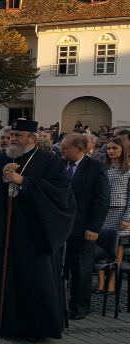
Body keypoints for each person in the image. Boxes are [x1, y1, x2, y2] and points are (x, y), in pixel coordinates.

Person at [0, 118, 75, 340]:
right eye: (12, 135)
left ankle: (35, 328)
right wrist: (1, 176)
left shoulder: (49, 162)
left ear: (32, 139)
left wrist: (23, 181)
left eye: (18, 136)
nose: (13, 139)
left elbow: (60, 193)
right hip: (3, 230)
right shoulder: (0, 159)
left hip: (33, 233)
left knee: (33, 279)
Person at [60, 133, 110, 320]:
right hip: (62, 227)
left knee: (81, 269)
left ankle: (79, 307)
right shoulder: (60, 164)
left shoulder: (96, 168)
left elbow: (102, 200)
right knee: (61, 267)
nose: (62, 151)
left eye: (66, 148)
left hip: (84, 228)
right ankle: (59, 304)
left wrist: (94, 228)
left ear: (79, 149)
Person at [101, 135, 130, 292]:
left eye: (115, 148)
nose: (111, 151)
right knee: (100, 247)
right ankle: (100, 281)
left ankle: (112, 281)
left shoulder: (128, 170)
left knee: (117, 249)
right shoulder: (104, 168)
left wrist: (127, 218)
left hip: (119, 214)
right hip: (102, 212)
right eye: (109, 148)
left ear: (123, 150)